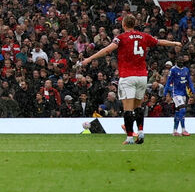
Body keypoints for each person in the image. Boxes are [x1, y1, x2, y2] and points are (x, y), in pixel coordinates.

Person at [77, 14, 184, 145]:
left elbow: (106, 51)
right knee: (138, 106)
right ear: (134, 24)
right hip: (142, 76)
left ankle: (129, 137)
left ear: (124, 25)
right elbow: (159, 42)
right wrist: (174, 43)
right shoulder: (143, 36)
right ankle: (140, 131)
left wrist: (89, 59)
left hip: (128, 76)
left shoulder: (120, 38)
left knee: (128, 108)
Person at [164, 61, 194, 137]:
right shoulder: (173, 70)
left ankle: (174, 131)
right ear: (176, 62)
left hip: (183, 93)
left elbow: (189, 81)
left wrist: (192, 90)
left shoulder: (186, 69)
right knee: (183, 109)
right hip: (176, 93)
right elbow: (168, 81)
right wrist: (165, 91)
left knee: (178, 112)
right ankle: (183, 130)